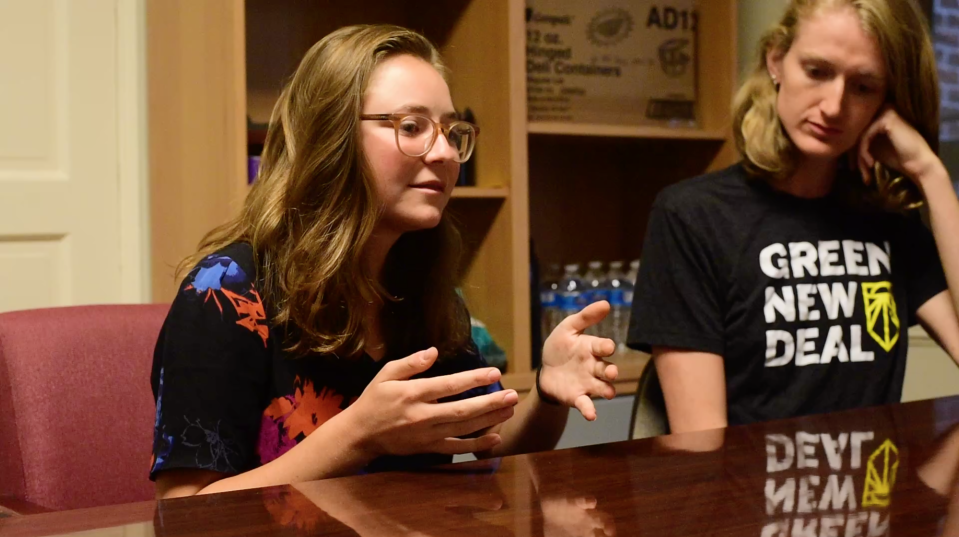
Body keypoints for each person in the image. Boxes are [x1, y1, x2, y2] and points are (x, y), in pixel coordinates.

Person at [150, 24, 619, 498]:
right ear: (329, 138)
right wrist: (359, 435)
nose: (445, 153)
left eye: (452, 132)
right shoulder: (224, 292)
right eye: (411, 128)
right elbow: (183, 512)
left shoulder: (421, 286)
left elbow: (490, 444)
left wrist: (548, 392)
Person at [628, 0, 959, 434]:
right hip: (744, 497)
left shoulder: (889, 222)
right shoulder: (693, 217)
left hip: (876, 497)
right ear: (776, 60)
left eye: (863, 87)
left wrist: (929, 172)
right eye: (818, 71)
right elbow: (702, 444)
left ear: (885, 102)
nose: (835, 106)